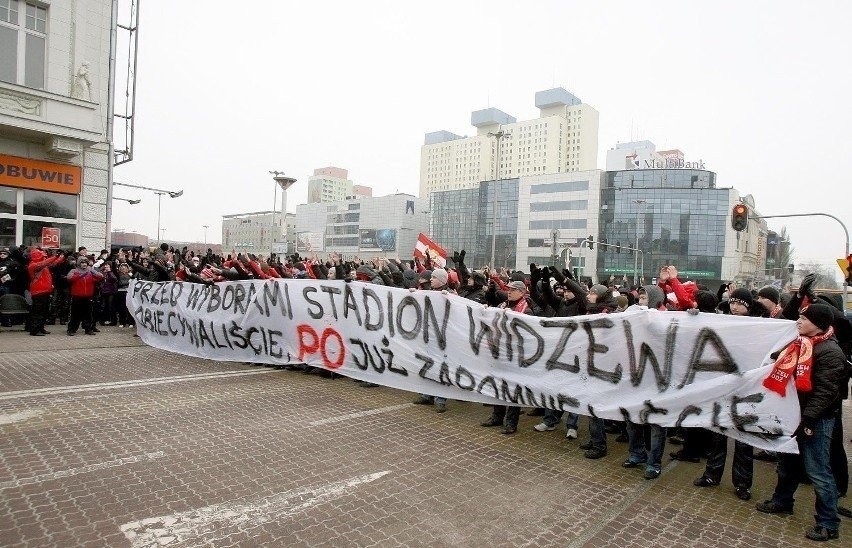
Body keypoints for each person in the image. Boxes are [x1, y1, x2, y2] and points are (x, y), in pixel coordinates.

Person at [756, 304, 846, 542]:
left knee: (818, 470)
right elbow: (777, 361)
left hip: (815, 419)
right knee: (787, 464)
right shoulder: (799, 343)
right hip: (792, 415)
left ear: (818, 324)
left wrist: (809, 418)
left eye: (804, 318)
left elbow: (826, 392)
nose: (798, 321)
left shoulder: (830, 352)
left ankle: (828, 523)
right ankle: (782, 501)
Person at [693, 287, 756, 501]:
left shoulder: (760, 326)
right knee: (717, 436)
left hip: (747, 390)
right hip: (722, 388)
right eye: (733, 302)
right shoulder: (721, 322)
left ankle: (742, 483)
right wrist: (694, 317)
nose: (735, 307)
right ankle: (712, 474)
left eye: (740, 303)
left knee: (744, 441)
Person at [480, 280, 539, 434]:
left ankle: (511, 422)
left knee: (513, 389)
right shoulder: (502, 306)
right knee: (498, 386)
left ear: (521, 292)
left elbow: (527, 333)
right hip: (500, 353)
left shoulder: (527, 310)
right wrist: (487, 312)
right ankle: (497, 417)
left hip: (516, 355)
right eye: (508, 289)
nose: (509, 292)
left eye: (513, 290)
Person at [27, 248, 64, 336]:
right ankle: (35, 330)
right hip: (38, 292)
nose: (44, 257)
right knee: (38, 312)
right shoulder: (33, 266)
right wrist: (56, 256)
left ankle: (40, 328)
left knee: (43, 311)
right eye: (42, 256)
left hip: (44, 291)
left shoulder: (41, 265)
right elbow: (46, 263)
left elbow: (54, 263)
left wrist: (62, 256)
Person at [66, 256, 104, 335]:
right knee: (75, 314)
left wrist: (92, 271)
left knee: (88, 314)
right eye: (82, 263)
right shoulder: (74, 270)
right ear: (79, 263)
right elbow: (69, 278)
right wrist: (80, 275)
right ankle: (71, 329)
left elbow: (100, 276)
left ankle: (88, 329)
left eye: (85, 263)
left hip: (88, 296)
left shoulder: (89, 271)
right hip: (77, 296)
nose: (84, 264)